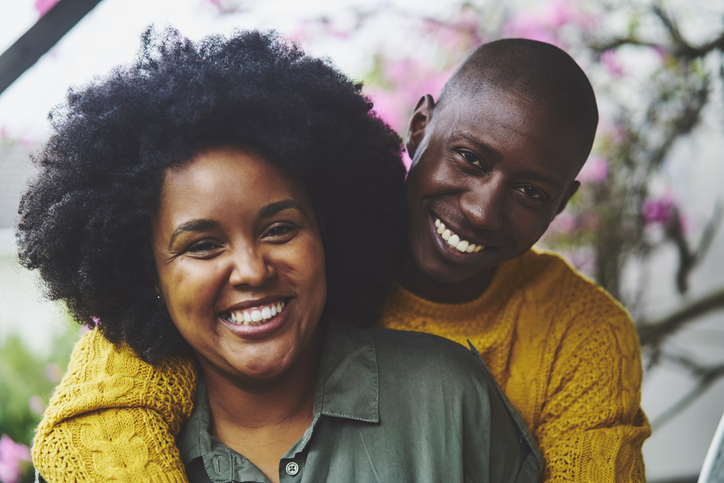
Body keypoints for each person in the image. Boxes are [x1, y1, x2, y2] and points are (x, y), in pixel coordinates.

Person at [27, 35, 649, 482]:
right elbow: (95, 421)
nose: (483, 211)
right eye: (470, 158)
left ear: (564, 202)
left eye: (531, 192)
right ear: (419, 127)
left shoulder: (575, 335)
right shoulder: (245, 287)